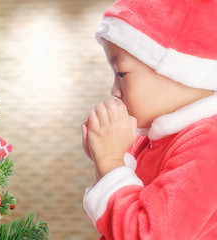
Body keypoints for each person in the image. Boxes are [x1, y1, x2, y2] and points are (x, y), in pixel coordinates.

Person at [81, 0, 217, 239]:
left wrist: (111, 162)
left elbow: (148, 233)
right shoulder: (157, 136)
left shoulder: (208, 146)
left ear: (175, 71)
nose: (114, 90)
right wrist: (109, 156)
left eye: (121, 73)